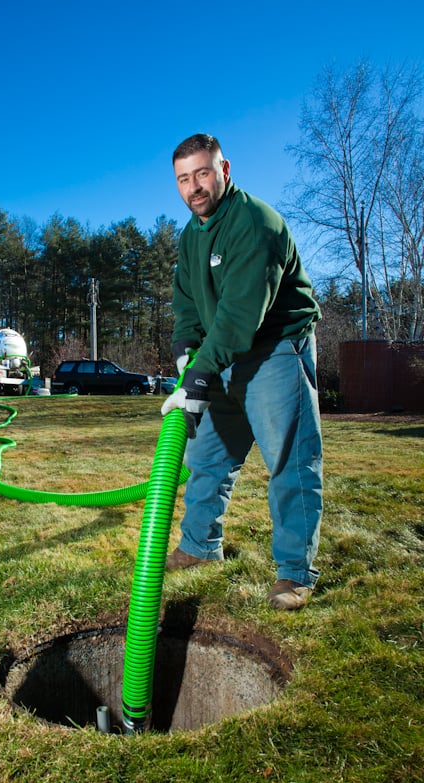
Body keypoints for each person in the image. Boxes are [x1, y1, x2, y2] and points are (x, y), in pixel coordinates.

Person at [161, 133, 323, 611]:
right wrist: (186, 351)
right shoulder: (192, 234)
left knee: (289, 463)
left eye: (203, 173)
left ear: (224, 169)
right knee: (206, 458)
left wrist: (198, 376)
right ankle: (199, 547)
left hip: (273, 351)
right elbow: (187, 302)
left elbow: (238, 315)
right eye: (184, 179)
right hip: (223, 357)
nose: (194, 187)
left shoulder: (254, 223)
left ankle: (295, 573)